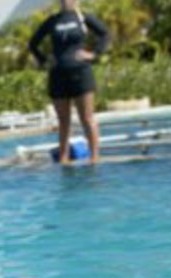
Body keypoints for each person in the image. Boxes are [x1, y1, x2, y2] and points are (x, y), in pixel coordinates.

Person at [28, 0, 111, 165]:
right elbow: (33, 44)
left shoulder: (82, 18)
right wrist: (44, 60)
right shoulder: (53, 21)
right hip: (58, 75)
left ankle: (94, 157)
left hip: (81, 74)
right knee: (63, 121)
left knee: (87, 118)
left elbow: (105, 35)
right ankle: (64, 158)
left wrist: (94, 54)